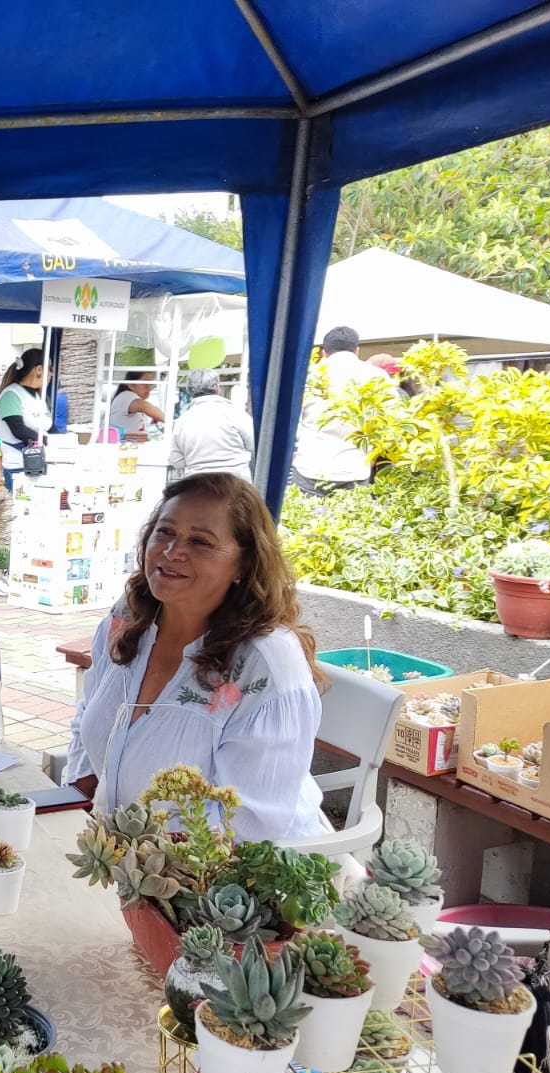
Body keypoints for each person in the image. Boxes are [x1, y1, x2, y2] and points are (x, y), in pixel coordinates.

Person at [63, 471, 326, 842]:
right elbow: (87, 717)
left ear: (243, 565)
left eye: (201, 541)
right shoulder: (128, 616)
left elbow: (251, 829)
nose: (172, 552)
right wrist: (75, 803)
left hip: (219, 885)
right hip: (119, 856)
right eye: (165, 532)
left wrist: (145, 875)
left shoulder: (265, 664)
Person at [292, 326, 388, 494]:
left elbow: (292, 420)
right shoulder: (377, 376)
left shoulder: (309, 375)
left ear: (324, 352)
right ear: (357, 350)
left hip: (311, 465)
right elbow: (388, 420)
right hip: (355, 466)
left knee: (306, 518)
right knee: (352, 519)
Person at [166, 369, 255, 482]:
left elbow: (176, 460)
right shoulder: (236, 414)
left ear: (190, 390)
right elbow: (254, 445)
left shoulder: (182, 421)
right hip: (236, 482)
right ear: (217, 388)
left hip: (198, 484)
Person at [0, 348, 47, 491]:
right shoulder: (11, 395)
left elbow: (48, 424)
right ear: (39, 370)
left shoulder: (36, 396)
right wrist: (49, 441)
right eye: (50, 368)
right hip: (19, 464)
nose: (52, 374)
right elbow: (19, 429)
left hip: (36, 463)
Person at [108, 371, 164, 439]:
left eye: (151, 384)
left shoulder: (136, 400)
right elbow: (145, 406)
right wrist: (171, 422)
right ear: (131, 385)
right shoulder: (126, 396)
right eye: (145, 384)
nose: (149, 388)